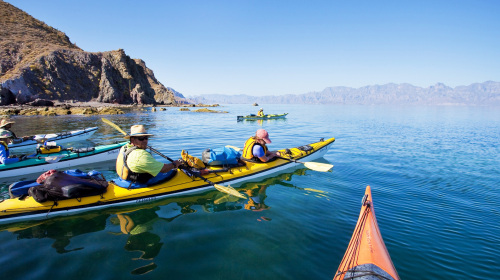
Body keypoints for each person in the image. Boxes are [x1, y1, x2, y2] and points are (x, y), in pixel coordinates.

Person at [116, 125, 183, 185]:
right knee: (172, 172)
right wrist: (175, 164)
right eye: (141, 138)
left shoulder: (125, 147)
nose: (145, 141)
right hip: (139, 182)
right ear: (132, 139)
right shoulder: (141, 155)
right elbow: (164, 169)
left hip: (126, 180)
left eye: (146, 138)